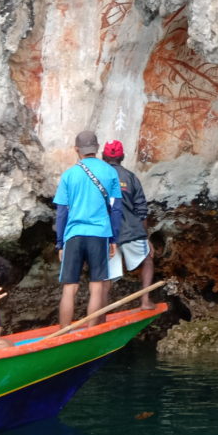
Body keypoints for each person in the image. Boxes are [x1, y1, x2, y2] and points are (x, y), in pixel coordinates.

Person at [54, 129, 122, 327]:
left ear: (77, 149)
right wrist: (113, 239)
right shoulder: (110, 172)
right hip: (99, 234)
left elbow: (61, 212)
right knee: (97, 285)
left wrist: (60, 243)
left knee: (69, 288)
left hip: (73, 235)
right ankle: (91, 332)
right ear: (97, 148)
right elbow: (115, 209)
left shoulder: (69, 175)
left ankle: (63, 334)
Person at [101, 140, 155, 310]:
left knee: (106, 277)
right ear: (122, 157)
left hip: (108, 234)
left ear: (103, 157)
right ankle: (145, 300)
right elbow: (141, 209)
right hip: (132, 230)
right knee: (147, 260)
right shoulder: (131, 177)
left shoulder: (98, 177)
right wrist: (146, 238)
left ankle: (99, 316)